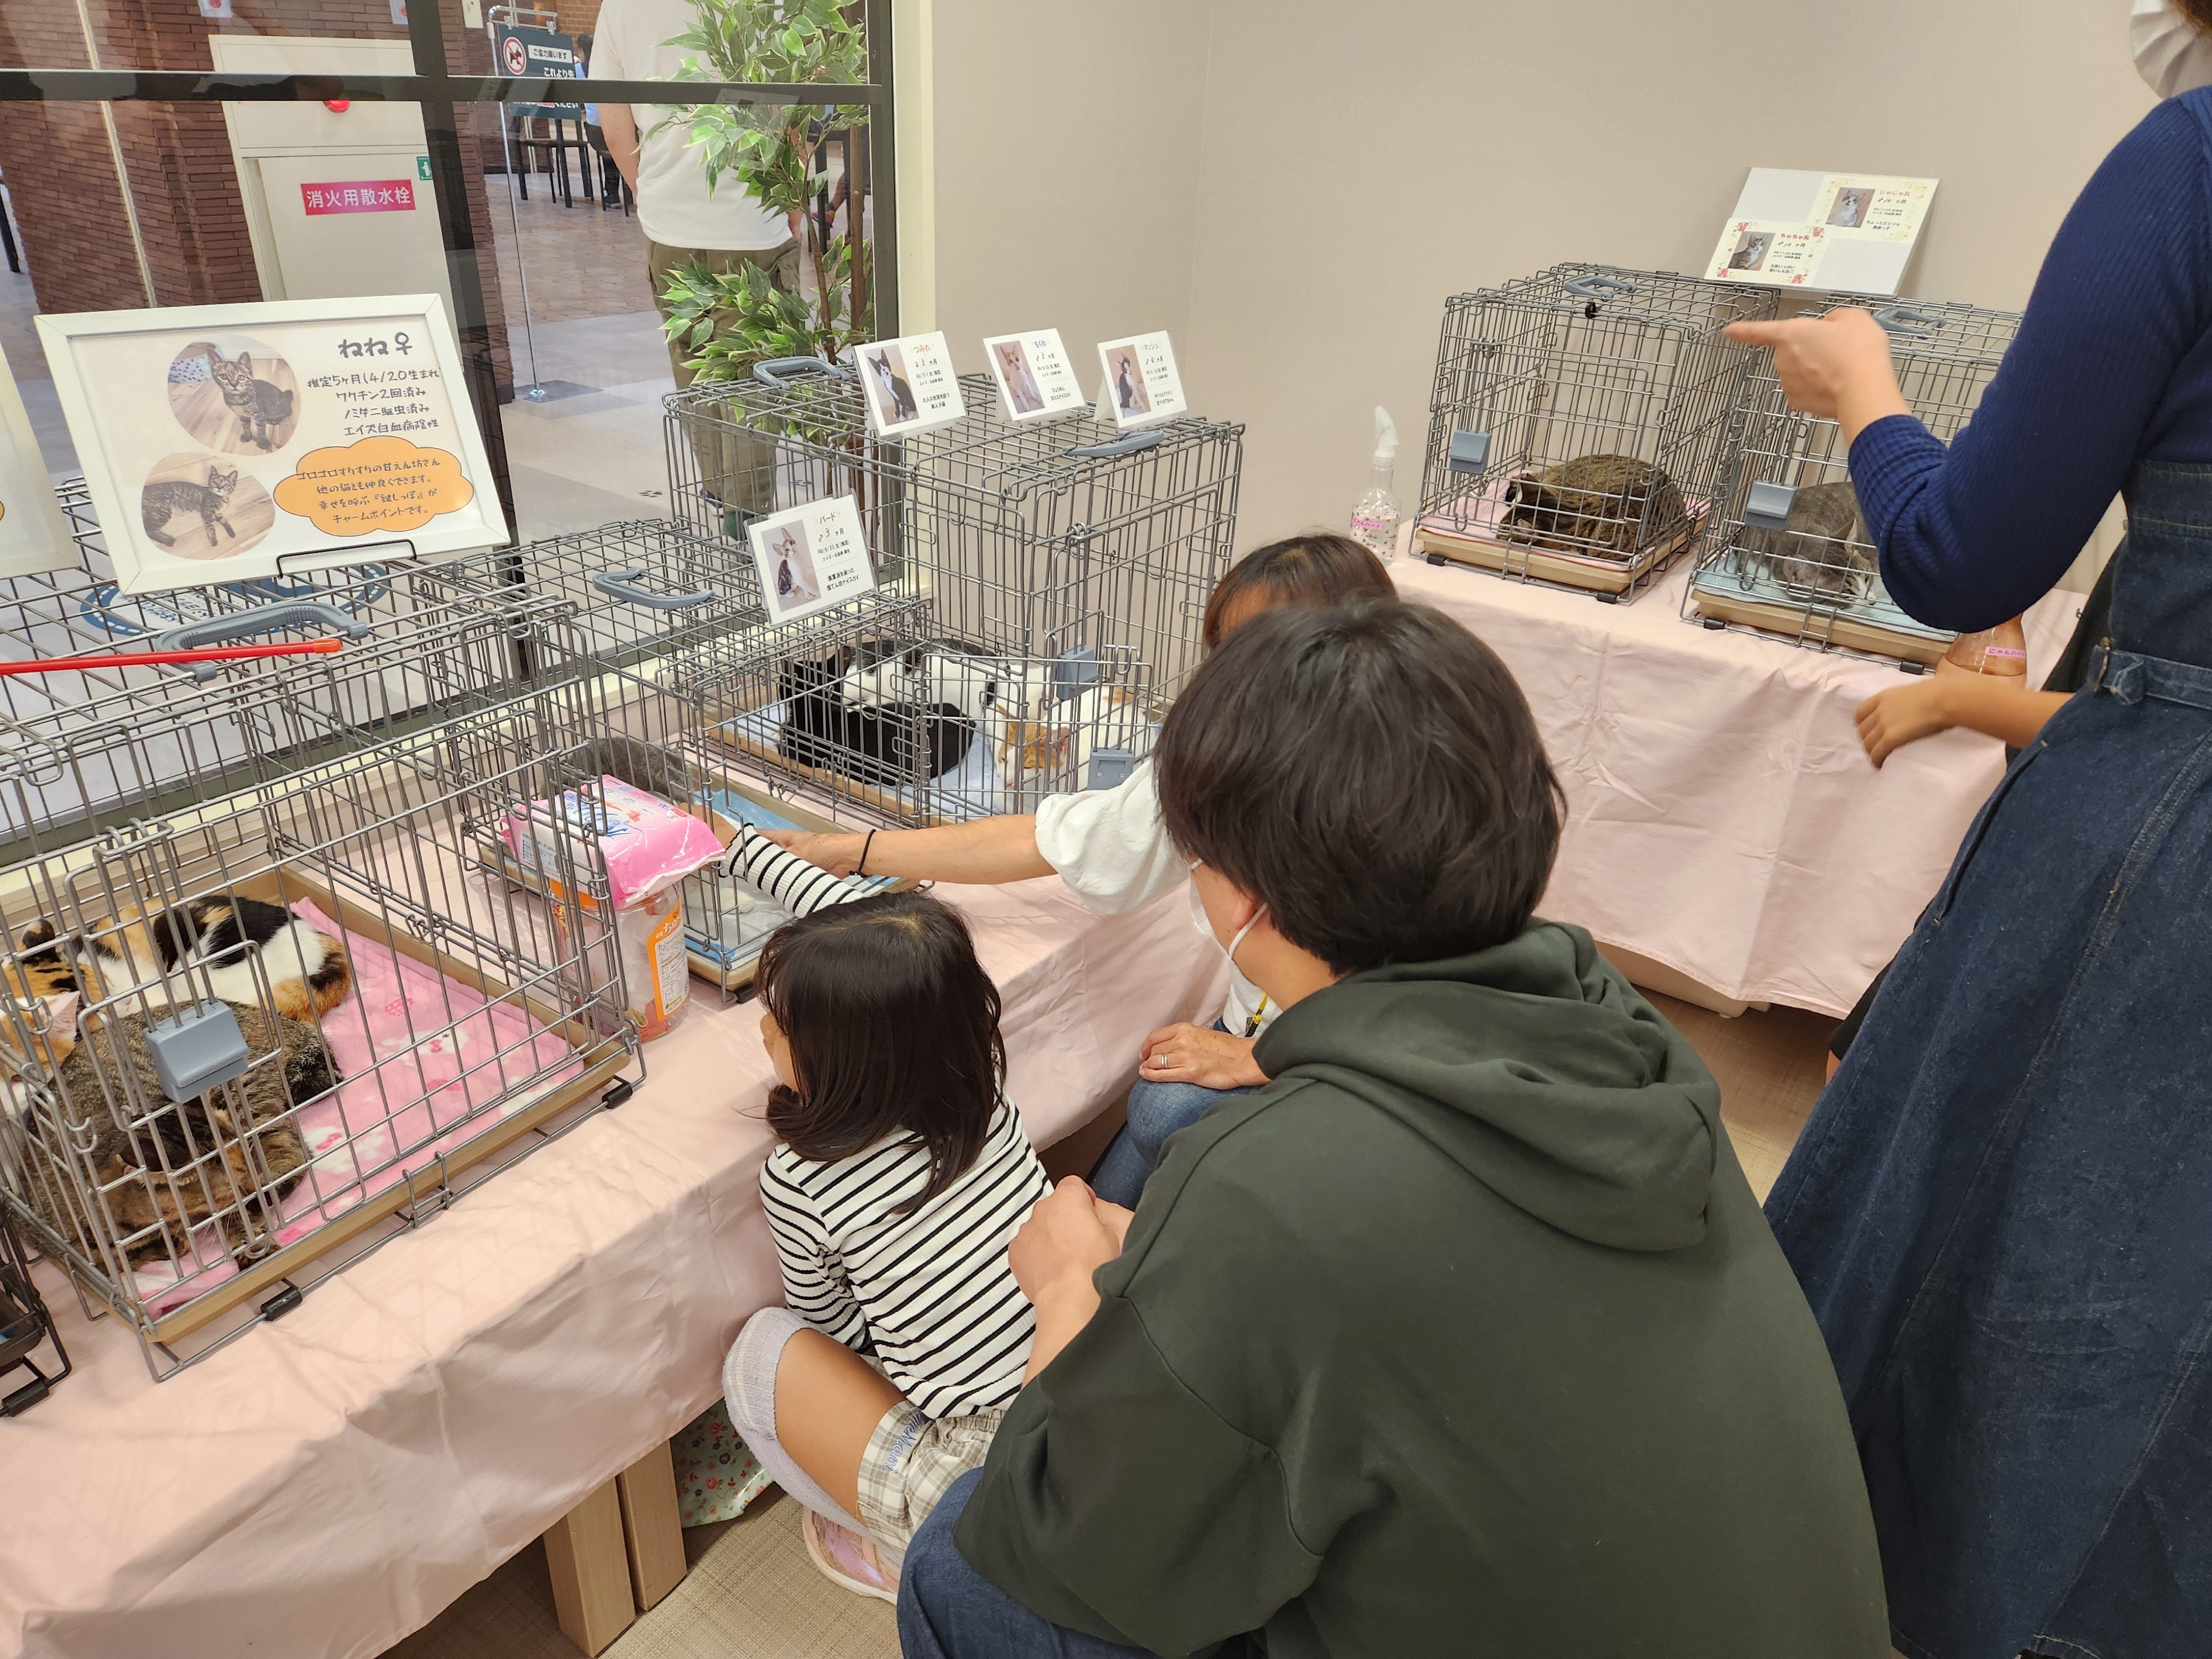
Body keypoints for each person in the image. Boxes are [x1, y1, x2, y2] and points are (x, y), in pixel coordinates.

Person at [895, 599, 1889, 1659]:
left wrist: (1065, 1295)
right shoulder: (1618, 1027)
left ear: (1248, 903)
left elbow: (1061, 1533)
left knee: (958, 1561)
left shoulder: (1269, 1186)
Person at [1725, 23, 2212, 1656]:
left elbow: (1957, 555)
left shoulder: (2186, 166)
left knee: (2016, 1308)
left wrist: (1864, 394)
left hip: (2163, 865)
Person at [762, 534, 1396, 1208]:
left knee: (1164, 1112)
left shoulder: (1389, 817)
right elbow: (1050, 839)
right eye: (1227, 657)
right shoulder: (1215, 762)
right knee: (1143, 1128)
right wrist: (849, 849)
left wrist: (1266, 1058)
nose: (1235, 684)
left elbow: (1408, 1018)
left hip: (1336, 1064)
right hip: (1282, 1041)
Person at [719, 866, 1050, 1604]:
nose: (763, 1029)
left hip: (976, 1475)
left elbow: (832, 1332)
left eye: (783, 1023)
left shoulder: (801, 1179)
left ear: (851, 1059)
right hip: (1073, 1399)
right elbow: (892, 936)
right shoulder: (984, 1104)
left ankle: (901, 1553)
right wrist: (746, 852)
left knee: (761, 1353)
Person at [588, 0, 798, 518]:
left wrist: (649, 191)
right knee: (753, 380)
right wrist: (793, 201)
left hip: (669, 225)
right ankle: (748, 519)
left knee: (694, 364)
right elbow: (785, 112)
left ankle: (721, 492)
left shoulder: (620, 7)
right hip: (751, 220)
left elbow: (614, 123)